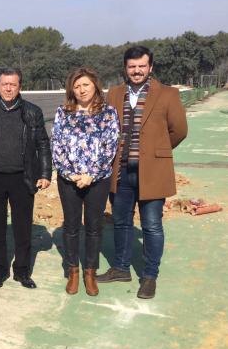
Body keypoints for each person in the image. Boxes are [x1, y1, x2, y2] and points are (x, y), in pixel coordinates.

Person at [96, 46, 187, 299]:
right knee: (122, 222)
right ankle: (121, 268)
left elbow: (178, 130)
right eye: (132, 67)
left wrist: (155, 151)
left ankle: (149, 276)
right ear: (125, 68)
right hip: (121, 172)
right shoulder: (114, 94)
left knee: (152, 226)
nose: (137, 71)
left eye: (141, 66)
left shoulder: (168, 94)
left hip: (152, 172)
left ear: (150, 68)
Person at [0, 68, 51, 289]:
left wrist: (45, 173)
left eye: (13, 84)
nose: (8, 88)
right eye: (5, 84)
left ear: (20, 87)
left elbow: (43, 144)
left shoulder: (32, 112)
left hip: (22, 178)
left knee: (22, 228)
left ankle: (22, 271)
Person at [51, 67, 119, 295]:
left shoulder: (108, 113)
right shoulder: (64, 112)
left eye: (86, 85)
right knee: (70, 227)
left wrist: (92, 174)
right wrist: (70, 173)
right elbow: (57, 145)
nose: (81, 90)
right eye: (77, 86)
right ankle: (73, 272)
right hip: (69, 180)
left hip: (97, 179)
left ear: (95, 86)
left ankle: (90, 272)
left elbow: (111, 146)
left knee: (93, 227)